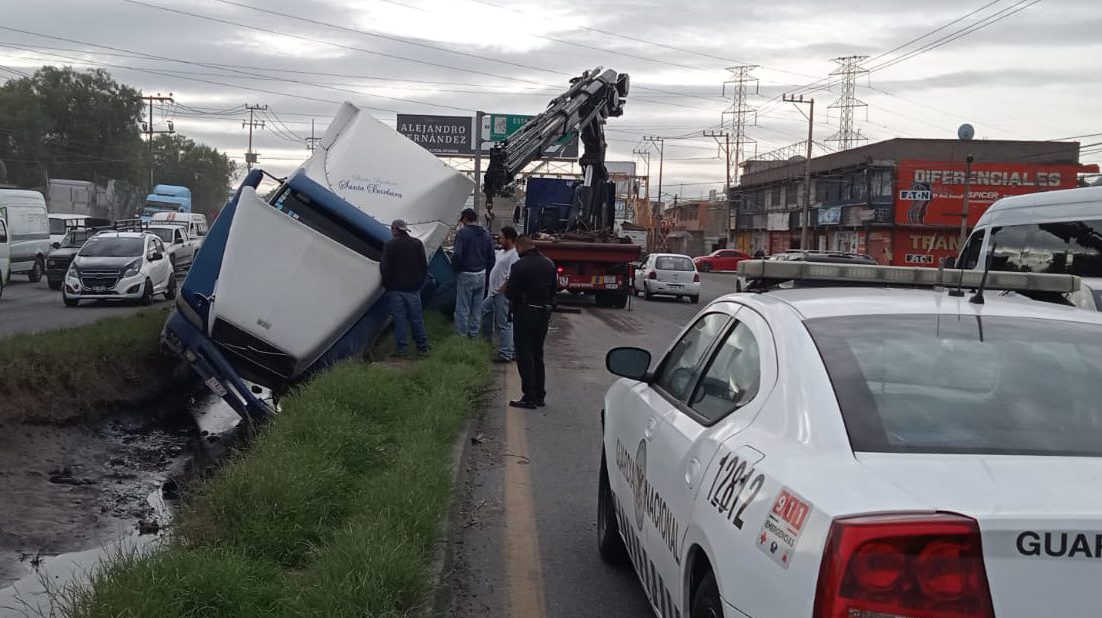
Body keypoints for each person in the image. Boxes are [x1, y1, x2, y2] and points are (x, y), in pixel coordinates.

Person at [505, 235, 557, 409]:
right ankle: (540, 394)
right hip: (543, 313)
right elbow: (553, 290)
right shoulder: (549, 264)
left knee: (524, 354)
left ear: (520, 247)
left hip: (525, 313)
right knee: (537, 354)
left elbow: (511, 293)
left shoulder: (519, 266)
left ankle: (529, 396)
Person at [380, 219, 429, 355]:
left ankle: (402, 349)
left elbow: (385, 267)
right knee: (416, 318)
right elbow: (424, 266)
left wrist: (387, 285)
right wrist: (420, 283)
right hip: (414, 289)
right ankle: (422, 347)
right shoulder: (417, 244)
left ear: (394, 229)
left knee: (400, 319)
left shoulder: (390, 245)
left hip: (396, 288)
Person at [452, 207, 494, 337]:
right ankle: (474, 334)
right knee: (477, 308)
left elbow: (457, 255)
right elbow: (491, 257)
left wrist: (456, 269)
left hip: (466, 274)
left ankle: (461, 336)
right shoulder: (486, 233)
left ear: (465, 219)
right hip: (481, 274)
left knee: (463, 308)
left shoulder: (462, 233)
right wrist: (487, 274)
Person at [481, 226, 519, 363]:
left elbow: (512, 275)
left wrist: (503, 289)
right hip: (493, 293)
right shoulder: (503, 252)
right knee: (485, 311)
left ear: (509, 239)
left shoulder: (514, 254)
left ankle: (506, 353)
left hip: (502, 294)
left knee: (504, 323)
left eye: (502, 237)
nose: (499, 239)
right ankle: (485, 344)